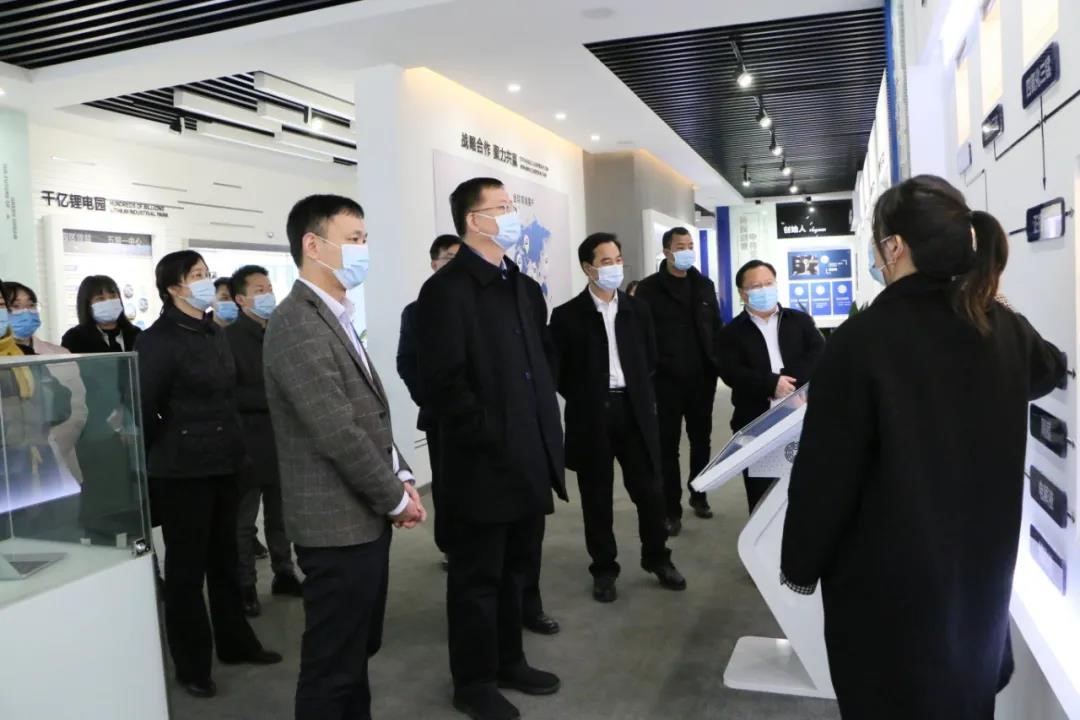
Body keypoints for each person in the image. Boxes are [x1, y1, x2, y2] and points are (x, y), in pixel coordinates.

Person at [779, 175, 1066, 720]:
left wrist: (801, 562)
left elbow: (827, 474)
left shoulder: (861, 340)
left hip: (887, 587)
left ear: (894, 247)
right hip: (979, 581)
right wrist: (994, 300)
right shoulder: (998, 325)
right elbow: (1048, 368)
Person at [263, 195, 425, 720]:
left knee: (355, 653)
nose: (363, 250)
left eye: (365, 239)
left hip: (361, 520)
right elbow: (337, 431)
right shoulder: (296, 322)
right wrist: (395, 499)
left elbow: (368, 413)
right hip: (334, 527)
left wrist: (400, 474)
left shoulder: (335, 315)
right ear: (313, 245)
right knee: (332, 667)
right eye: (354, 239)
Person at [417, 177, 565, 720]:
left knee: (517, 569)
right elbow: (442, 382)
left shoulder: (521, 285)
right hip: (481, 463)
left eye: (511, 206)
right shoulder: (446, 291)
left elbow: (541, 361)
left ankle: (509, 661)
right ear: (472, 220)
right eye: (500, 207)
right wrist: (487, 432)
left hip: (528, 454)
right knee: (477, 579)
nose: (510, 215)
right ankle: (473, 681)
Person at [136, 251, 281, 699]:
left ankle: (236, 643)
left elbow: (229, 397)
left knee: (225, 560)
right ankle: (192, 664)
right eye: (195, 275)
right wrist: (178, 438)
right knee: (186, 571)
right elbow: (144, 407)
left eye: (205, 274)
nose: (204, 281)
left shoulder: (213, 331)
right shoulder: (157, 340)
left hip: (225, 462)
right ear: (173, 288)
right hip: (182, 471)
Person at [549, 233, 685, 603]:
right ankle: (604, 568)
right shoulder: (567, 316)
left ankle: (657, 557)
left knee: (650, 491)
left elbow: (650, 358)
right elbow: (558, 372)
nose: (614, 267)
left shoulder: (638, 310)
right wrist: (586, 396)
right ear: (588, 268)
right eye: (606, 261)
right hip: (591, 415)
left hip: (635, 410)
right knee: (597, 497)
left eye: (618, 259)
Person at [225, 265, 302, 618]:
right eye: (259, 289)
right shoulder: (228, 339)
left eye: (269, 287)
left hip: (281, 440)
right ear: (241, 299)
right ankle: (245, 585)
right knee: (244, 522)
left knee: (280, 515)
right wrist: (274, 397)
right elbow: (230, 393)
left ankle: (284, 572)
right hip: (246, 444)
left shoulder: (280, 331)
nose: (268, 294)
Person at [717, 260, 824, 512]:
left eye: (768, 283)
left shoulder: (799, 321)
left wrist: (789, 383)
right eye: (756, 286)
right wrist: (770, 384)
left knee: (805, 490)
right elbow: (731, 372)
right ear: (743, 293)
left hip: (801, 417)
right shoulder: (731, 333)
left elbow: (819, 354)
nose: (764, 290)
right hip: (756, 422)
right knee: (762, 496)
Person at [635, 227, 723, 535]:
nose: (687, 251)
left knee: (701, 440)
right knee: (666, 445)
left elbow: (715, 327)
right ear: (667, 251)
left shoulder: (704, 285)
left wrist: (717, 361)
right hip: (665, 381)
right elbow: (641, 336)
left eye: (690, 245)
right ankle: (670, 509)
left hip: (702, 379)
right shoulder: (648, 289)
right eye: (680, 246)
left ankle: (699, 493)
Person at [61, 275, 149, 549]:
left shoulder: (137, 335)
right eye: (100, 298)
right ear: (87, 304)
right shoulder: (75, 339)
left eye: (112, 296)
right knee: (106, 501)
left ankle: (144, 554)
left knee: (140, 501)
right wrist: (112, 421)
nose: (109, 302)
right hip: (97, 434)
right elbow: (80, 388)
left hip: (138, 430)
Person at [397, 233, 461, 569]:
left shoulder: (479, 305)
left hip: (485, 414)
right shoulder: (416, 312)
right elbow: (406, 362)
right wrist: (428, 397)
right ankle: (451, 546)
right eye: (448, 258)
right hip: (441, 416)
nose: (455, 265)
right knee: (447, 483)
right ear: (434, 264)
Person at [0, 280, 72, 530]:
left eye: (1, 304)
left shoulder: (20, 354)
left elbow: (61, 405)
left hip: (36, 464)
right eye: (13, 305)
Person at [3, 281, 88, 489]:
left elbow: (75, 409)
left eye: (31, 305)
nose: (26, 312)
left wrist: (48, 443)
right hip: (11, 470)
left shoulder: (57, 354)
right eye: (15, 306)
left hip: (54, 459)